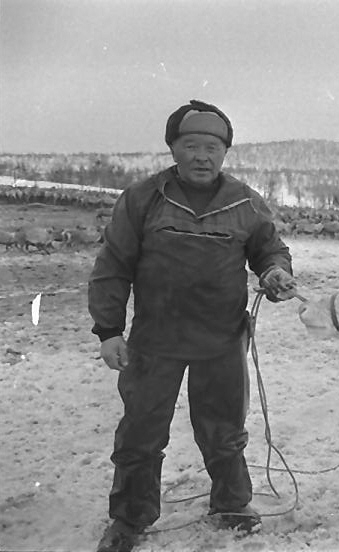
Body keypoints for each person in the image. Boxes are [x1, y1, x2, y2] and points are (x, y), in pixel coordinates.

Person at [89, 100, 297, 552]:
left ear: (224, 152)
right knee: (141, 432)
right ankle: (130, 519)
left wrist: (274, 273)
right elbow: (113, 266)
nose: (202, 156)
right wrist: (108, 331)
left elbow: (269, 250)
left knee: (224, 429)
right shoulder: (143, 199)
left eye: (212, 147)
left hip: (221, 339)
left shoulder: (245, 201)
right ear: (174, 149)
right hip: (154, 341)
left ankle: (232, 503)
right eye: (191, 145)